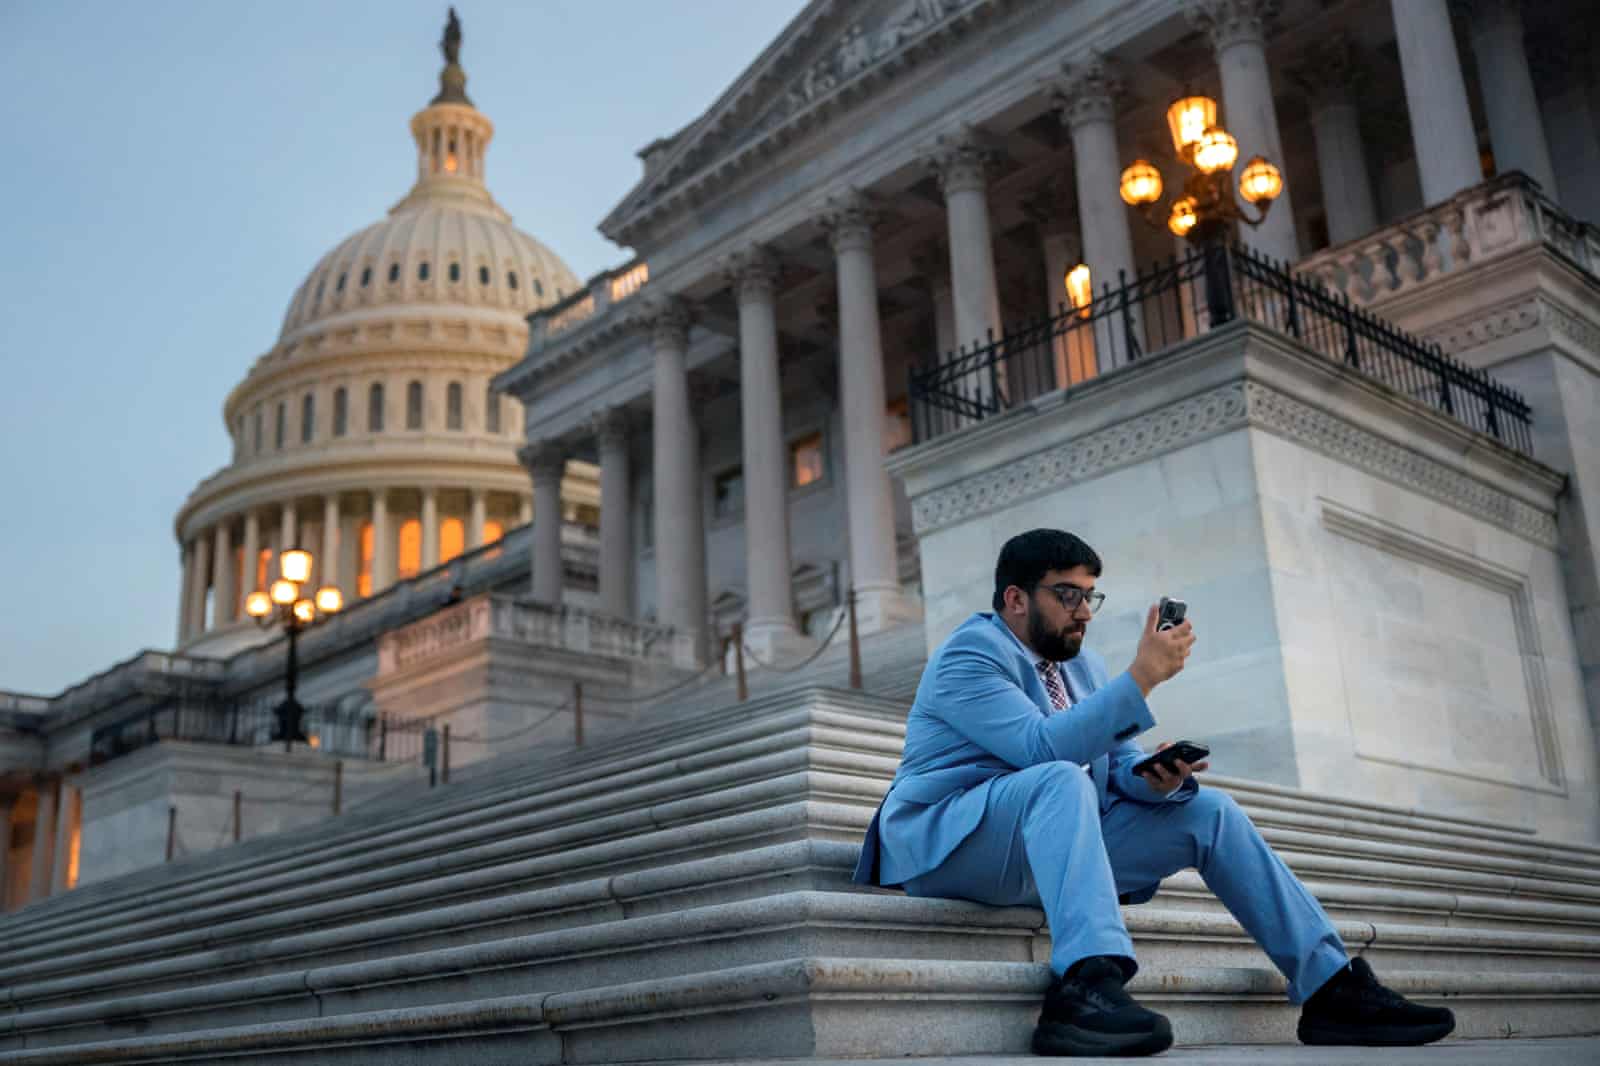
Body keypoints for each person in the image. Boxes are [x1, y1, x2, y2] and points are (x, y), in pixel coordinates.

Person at [853, 529, 1455, 1056]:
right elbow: (1042, 750)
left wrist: (1158, 782)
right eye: (1067, 595)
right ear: (1015, 599)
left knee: (1208, 811)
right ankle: (1086, 983)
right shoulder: (969, 654)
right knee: (1058, 777)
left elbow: (1115, 769)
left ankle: (1331, 988)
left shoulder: (1081, 669)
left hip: (1049, 838)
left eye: (1090, 595)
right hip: (952, 842)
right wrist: (1142, 675)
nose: (1083, 611)